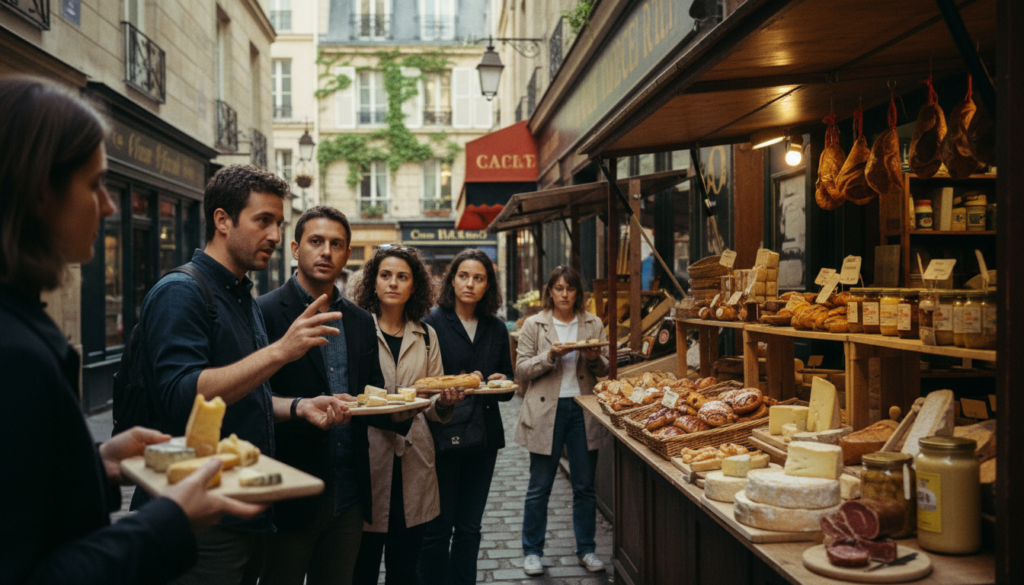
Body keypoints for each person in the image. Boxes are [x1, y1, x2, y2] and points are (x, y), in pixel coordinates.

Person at [0, 75, 265, 583]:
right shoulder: (13, 354)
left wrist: (98, 463)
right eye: (95, 184)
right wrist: (169, 524)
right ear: (39, 192)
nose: (109, 205)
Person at [136, 165, 352, 585]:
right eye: (263, 221)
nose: (274, 235)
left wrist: (299, 406)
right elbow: (183, 396)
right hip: (200, 519)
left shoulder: (240, 294)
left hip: (243, 512)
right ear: (222, 220)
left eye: (278, 223)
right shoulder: (181, 292)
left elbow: (239, 396)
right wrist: (279, 352)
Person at [257, 207, 423, 585]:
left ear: (348, 255)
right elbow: (253, 400)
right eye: (316, 242)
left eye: (337, 244)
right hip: (290, 492)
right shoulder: (264, 312)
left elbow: (372, 397)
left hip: (349, 495)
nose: (326, 252)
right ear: (296, 249)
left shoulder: (361, 320)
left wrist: (403, 410)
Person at [350, 244, 465, 585]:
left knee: (405, 568)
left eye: (403, 277)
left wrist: (444, 404)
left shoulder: (427, 336)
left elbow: (430, 403)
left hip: (414, 461)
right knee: (363, 567)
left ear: (414, 286)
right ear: (373, 282)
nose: (393, 283)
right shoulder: (357, 330)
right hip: (369, 460)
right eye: (385, 275)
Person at [417, 249, 515, 585]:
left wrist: (501, 382)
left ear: (488, 285)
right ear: (451, 280)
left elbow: (507, 386)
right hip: (441, 437)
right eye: (464, 276)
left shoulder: (496, 328)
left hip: (484, 438)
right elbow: (423, 384)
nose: (470, 284)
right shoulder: (431, 324)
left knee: (470, 528)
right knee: (438, 529)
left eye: (479, 278)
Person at [514, 266, 609, 576]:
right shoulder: (534, 324)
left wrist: (594, 358)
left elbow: (606, 372)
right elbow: (522, 371)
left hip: (583, 410)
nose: (564, 294)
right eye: (558, 288)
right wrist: (550, 356)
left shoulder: (593, 323)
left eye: (570, 288)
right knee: (539, 485)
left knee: (584, 486)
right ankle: (532, 551)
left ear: (578, 292)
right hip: (546, 412)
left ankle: (586, 549)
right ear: (550, 292)